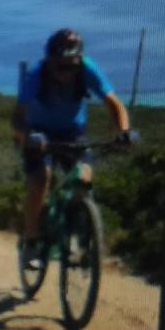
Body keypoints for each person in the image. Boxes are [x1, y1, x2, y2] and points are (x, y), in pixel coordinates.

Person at [12, 28, 131, 266]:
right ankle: (32, 241)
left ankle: (83, 237)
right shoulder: (36, 74)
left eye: (72, 66)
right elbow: (18, 116)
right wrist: (26, 136)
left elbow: (113, 103)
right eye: (61, 67)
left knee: (83, 179)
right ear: (50, 61)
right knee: (40, 179)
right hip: (38, 131)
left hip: (73, 132)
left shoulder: (87, 68)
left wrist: (124, 132)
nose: (67, 72)